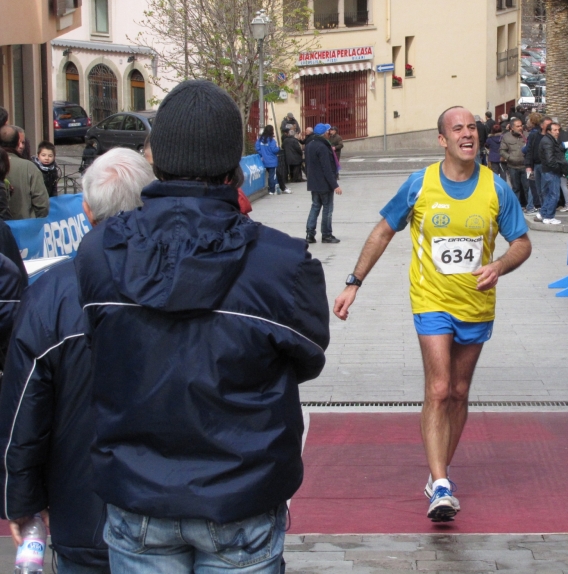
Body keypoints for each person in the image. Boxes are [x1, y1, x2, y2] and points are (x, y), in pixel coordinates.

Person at [73, 79, 330, 573]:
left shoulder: (99, 253)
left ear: (156, 157)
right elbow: (306, 355)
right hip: (231, 491)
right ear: (235, 165)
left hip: (151, 492)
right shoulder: (279, 262)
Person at [332, 107, 530, 522]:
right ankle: (441, 483)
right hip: (431, 301)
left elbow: (522, 243)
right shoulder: (419, 184)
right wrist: (354, 281)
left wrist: (499, 266)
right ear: (442, 140)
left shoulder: (496, 188)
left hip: (476, 305)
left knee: (459, 391)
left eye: (472, 128)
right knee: (438, 388)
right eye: (457, 129)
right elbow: (384, 229)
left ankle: (438, 469)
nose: (467, 134)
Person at [0, 148, 155, 574]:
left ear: (86, 212)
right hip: (157, 508)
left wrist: (22, 500)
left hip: (86, 514)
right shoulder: (183, 279)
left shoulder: (51, 296)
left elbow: (22, 415)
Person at [0, 126, 49, 219]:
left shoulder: (29, 167)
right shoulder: (29, 167)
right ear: (17, 143)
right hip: (24, 227)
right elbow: (42, 205)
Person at [305, 122, 342, 244]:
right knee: (327, 208)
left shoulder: (310, 145)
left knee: (315, 207)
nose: (329, 133)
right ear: (324, 133)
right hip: (324, 184)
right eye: (327, 131)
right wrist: (335, 185)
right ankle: (326, 234)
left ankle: (310, 234)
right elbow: (327, 168)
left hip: (313, 183)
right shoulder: (323, 147)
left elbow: (308, 165)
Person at [536, 120, 568, 225]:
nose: (557, 132)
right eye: (555, 130)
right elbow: (550, 159)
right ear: (549, 131)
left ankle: (543, 213)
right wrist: (558, 168)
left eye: (558, 130)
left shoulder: (550, 140)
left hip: (549, 170)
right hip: (551, 171)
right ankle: (549, 216)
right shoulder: (548, 141)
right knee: (554, 195)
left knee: (550, 194)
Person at [500, 118, 528, 210]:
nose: (520, 128)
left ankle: (528, 205)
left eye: (521, 125)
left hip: (525, 166)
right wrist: (509, 158)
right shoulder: (506, 137)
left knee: (526, 187)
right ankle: (517, 206)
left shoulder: (526, 135)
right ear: (512, 127)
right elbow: (502, 150)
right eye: (518, 126)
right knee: (516, 187)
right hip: (513, 166)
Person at [255, 125, 289, 195]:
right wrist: (278, 148)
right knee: (272, 175)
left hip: (264, 160)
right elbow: (274, 150)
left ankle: (274, 188)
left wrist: (263, 153)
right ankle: (272, 190)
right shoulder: (271, 140)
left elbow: (257, 148)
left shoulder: (260, 139)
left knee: (271, 175)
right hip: (272, 160)